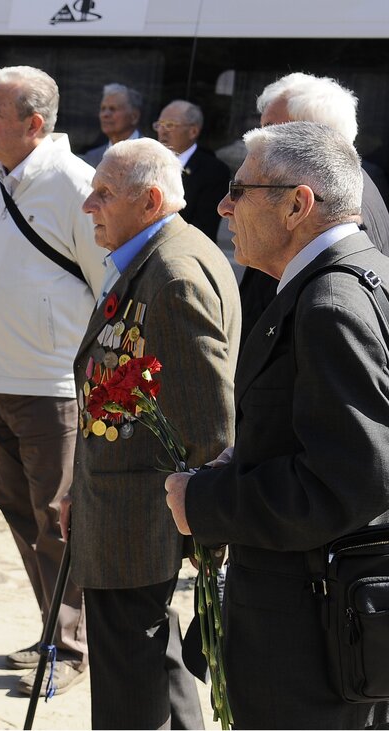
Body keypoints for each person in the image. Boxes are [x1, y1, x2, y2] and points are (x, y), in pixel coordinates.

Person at [165, 120, 389, 728]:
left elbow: (349, 480)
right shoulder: (345, 280)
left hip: (308, 645)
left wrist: (206, 502)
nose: (223, 203)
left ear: (297, 204)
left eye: (240, 189)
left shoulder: (330, 304)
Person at [67, 138, 237, 727]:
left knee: (127, 688)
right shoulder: (152, 257)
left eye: (105, 193)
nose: (90, 205)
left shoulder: (173, 274)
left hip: (141, 519)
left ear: (151, 200)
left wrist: (208, 521)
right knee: (156, 668)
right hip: (122, 508)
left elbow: (211, 419)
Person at [0, 66, 103, 694]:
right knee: (22, 512)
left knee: (57, 519)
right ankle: (56, 628)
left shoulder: (76, 184)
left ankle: (73, 649)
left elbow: (109, 290)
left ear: (34, 124)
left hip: (50, 385)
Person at [239, 72, 389, 346]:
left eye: (271, 129)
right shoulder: (355, 186)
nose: (257, 138)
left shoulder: (340, 205)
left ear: (312, 137)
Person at [153, 100, 229, 240]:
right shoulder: (148, 162)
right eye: (159, 125)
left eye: (170, 125)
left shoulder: (213, 171)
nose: (162, 131)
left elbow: (202, 229)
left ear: (193, 131)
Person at [81, 84, 143, 168]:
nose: (105, 115)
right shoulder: (92, 158)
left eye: (113, 109)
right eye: (103, 109)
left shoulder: (152, 153)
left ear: (134, 116)